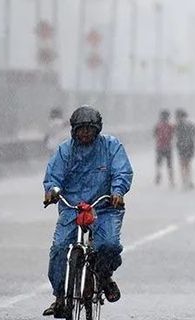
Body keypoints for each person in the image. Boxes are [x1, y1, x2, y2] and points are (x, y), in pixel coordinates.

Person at [42, 106, 133, 316]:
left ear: (97, 130)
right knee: (59, 248)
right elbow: (53, 176)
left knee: (108, 245)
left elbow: (122, 171)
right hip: (72, 208)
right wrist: (52, 191)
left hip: (105, 207)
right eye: (81, 129)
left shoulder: (111, 147)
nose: (85, 133)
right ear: (73, 130)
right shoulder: (65, 150)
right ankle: (59, 297)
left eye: (89, 129)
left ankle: (104, 276)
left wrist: (117, 191)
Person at [175, 109, 195, 190]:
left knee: (183, 165)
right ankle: (189, 181)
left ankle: (185, 181)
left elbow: (176, 136)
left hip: (182, 147)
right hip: (189, 147)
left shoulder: (178, 125)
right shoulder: (191, 125)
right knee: (188, 165)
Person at [153, 110, 175, 187]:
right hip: (168, 147)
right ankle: (171, 180)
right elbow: (172, 136)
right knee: (169, 164)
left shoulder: (157, 126)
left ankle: (158, 175)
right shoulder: (170, 126)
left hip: (159, 147)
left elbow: (154, 135)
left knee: (159, 163)